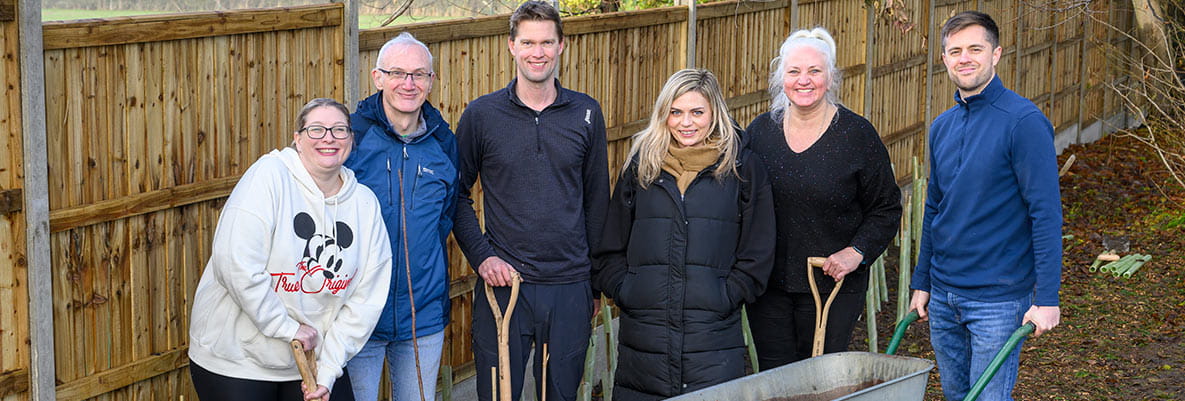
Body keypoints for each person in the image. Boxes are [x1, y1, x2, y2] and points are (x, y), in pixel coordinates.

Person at [452, 2, 610, 401]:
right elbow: (454, 194)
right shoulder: (481, 115)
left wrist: (593, 283)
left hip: (569, 286)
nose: (536, 52)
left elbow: (596, 201)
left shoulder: (586, 113)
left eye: (546, 42)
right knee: (497, 395)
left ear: (561, 47)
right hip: (504, 287)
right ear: (511, 46)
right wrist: (482, 257)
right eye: (527, 42)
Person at [188, 98, 391, 401]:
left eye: (339, 130)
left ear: (351, 139)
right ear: (297, 139)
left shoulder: (363, 204)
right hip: (238, 360)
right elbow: (235, 265)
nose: (328, 138)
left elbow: (366, 300)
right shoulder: (269, 177)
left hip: (310, 361)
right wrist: (285, 327)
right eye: (316, 129)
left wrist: (329, 366)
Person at [592, 68, 776, 400]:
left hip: (713, 341)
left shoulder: (741, 168)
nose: (685, 122)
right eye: (675, 112)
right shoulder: (642, 166)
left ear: (714, 113)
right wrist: (628, 290)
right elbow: (610, 248)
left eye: (696, 112)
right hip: (644, 342)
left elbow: (758, 251)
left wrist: (726, 294)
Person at [909, 11, 1062, 401]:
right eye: (955, 50)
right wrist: (922, 282)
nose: (965, 58)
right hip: (944, 295)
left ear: (996, 54)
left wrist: (1047, 299)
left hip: (998, 298)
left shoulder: (1023, 121)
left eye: (975, 48)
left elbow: (1045, 214)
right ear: (944, 59)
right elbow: (934, 210)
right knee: (957, 396)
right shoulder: (941, 126)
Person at [745, 27, 902, 369]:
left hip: (832, 285)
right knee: (775, 379)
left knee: (819, 378)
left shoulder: (857, 135)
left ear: (830, 78)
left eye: (815, 71)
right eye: (794, 72)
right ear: (780, 79)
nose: (804, 80)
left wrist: (856, 252)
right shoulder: (759, 133)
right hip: (769, 286)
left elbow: (886, 207)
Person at [343, 32, 458, 401]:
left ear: (430, 81)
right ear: (377, 78)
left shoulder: (444, 141)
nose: (408, 84)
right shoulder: (351, 137)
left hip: (422, 317)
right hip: (357, 316)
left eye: (419, 75)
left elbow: (446, 215)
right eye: (397, 73)